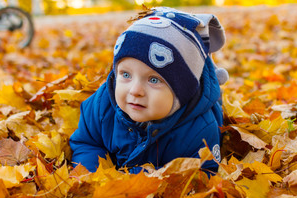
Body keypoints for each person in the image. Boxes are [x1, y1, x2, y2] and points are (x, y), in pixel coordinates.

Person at [69, 7, 228, 174]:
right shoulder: (101, 106)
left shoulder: (199, 131)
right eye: (125, 74)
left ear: (182, 91)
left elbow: (202, 174)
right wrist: (94, 177)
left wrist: (139, 179)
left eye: (154, 80)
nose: (135, 90)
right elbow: (87, 142)